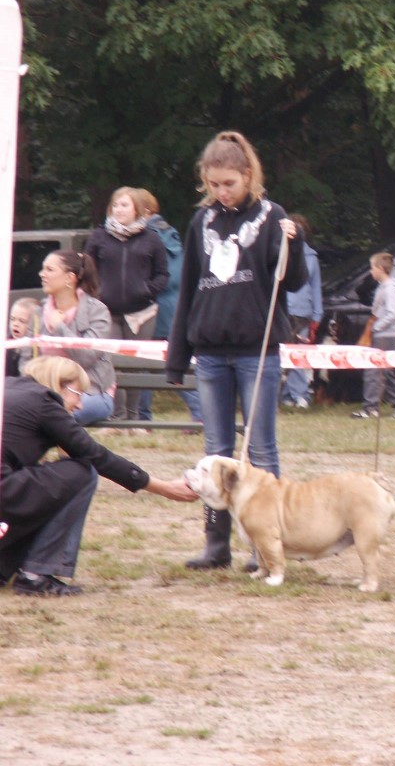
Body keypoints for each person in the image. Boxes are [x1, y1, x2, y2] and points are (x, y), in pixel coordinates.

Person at [167, 130, 308, 570]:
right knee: (216, 448)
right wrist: (178, 354)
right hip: (210, 352)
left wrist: (295, 242)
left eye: (229, 183)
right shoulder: (200, 223)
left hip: (256, 351)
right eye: (213, 184)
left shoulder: (272, 216)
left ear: (248, 176)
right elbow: (187, 288)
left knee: (260, 449)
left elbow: (295, 280)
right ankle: (216, 543)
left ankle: (263, 543)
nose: (221, 191)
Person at [0, 356, 197, 596]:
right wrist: (163, 487)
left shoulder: (10, 386)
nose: (81, 405)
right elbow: (96, 456)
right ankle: (35, 575)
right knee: (82, 473)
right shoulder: (44, 402)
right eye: (78, 394)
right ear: (59, 385)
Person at [85, 186, 169, 421]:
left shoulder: (151, 238)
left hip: (142, 313)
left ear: (137, 210)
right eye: (116, 205)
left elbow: (163, 274)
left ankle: (135, 418)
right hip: (106, 312)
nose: (119, 210)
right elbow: (87, 271)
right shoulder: (99, 236)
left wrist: (146, 290)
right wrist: (95, 296)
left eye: (125, 205)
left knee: (136, 366)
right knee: (112, 365)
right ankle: (116, 417)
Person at [23, 250, 117, 426]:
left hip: (91, 393)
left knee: (57, 417)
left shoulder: (97, 311)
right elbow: (26, 361)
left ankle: (69, 454)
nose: (41, 274)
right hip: (45, 392)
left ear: (69, 278)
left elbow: (87, 358)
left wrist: (60, 328)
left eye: (49, 269)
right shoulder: (38, 313)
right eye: (43, 269)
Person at [136, 188, 203, 424]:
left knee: (165, 363)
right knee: (143, 365)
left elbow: (174, 278)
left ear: (144, 210)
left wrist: (141, 287)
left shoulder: (158, 237)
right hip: (163, 309)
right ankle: (142, 417)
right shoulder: (165, 235)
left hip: (163, 311)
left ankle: (200, 413)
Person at [352, 251, 395, 419]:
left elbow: (393, 314)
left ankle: (370, 408)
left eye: (372, 268)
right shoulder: (383, 287)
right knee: (386, 372)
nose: (371, 271)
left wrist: (375, 328)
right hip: (383, 334)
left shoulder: (390, 289)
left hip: (385, 335)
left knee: (373, 371)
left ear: (380, 268)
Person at [280, 213, 323, 409]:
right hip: (282, 310)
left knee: (298, 353)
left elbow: (315, 287)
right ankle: (290, 393)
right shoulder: (279, 253)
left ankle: (300, 394)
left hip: (303, 311)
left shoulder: (312, 256)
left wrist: (317, 314)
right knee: (283, 354)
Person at [6, 297, 40, 377]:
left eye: (22, 321)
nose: (15, 324)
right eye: (12, 319)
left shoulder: (38, 347)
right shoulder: (6, 343)